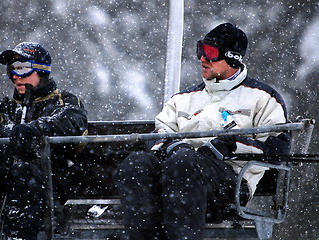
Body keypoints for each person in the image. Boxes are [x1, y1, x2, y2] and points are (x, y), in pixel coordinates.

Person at [114, 23, 291, 240]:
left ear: (232, 57)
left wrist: (230, 144)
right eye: (200, 50)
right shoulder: (184, 99)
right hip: (177, 179)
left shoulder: (261, 98)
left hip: (229, 184)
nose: (202, 58)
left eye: (210, 53)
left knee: (185, 163)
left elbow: (277, 147)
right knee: (137, 163)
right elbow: (159, 133)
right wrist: (174, 146)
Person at [0, 42, 88, 240]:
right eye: (11, 70)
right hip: (6, 182)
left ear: (40, 70)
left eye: (22, 69)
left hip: (48, 186)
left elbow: (71, 122)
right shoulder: (6, 107)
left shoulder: (63, 102)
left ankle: (20, 237)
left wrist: (35, 130)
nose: (15, 76)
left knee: (24, 173)